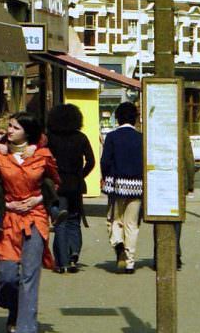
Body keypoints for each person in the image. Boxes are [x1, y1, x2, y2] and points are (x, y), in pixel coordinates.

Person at [0, 112, 59, 333]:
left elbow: (54, 182)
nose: (10, 130)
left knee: (29, 274)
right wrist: (6, 204)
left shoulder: (42, 155)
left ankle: (26, 330)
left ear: (27, 131)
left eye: (15, 127)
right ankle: (13, 308)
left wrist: (36, 201)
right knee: (7, 276)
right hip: (8, 219)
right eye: (9, 127)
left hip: (35, 217)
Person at [46, 103, 96, 274]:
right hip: (75, 184)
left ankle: (62, 262)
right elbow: (91, 161)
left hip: (56, 186)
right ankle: (74, 253)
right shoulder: (80, 137)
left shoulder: (49, 138)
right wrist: (81, 174)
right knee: (74, 221)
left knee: (60, 222)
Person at [101, 102, 143, 274]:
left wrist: (105, 177)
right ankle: (130, 262)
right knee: (131, 224)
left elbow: (105, 161)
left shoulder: (112, 137)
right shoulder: (141, 138)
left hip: (117, 185)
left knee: (114, 220)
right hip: (137, 186)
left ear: (117, 118)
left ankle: (118, 245)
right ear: (135, 119)